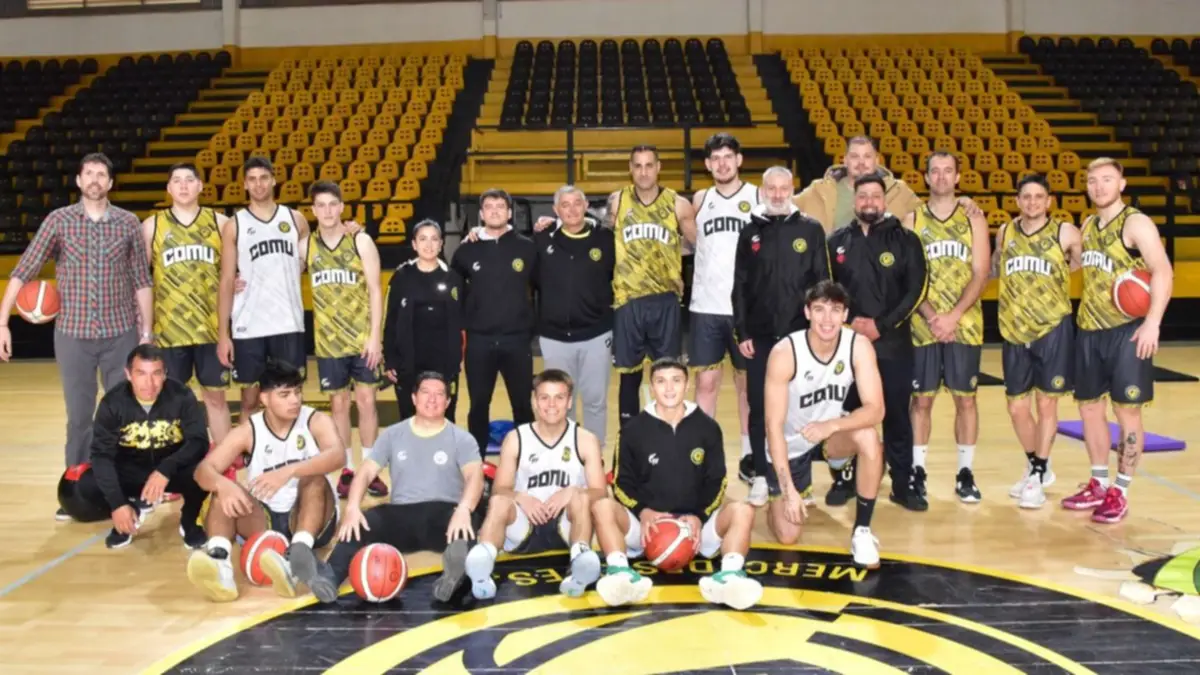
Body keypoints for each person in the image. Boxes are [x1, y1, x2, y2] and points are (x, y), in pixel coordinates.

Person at [0, 152, 153, 520]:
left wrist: (146, 331)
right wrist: (3, 321)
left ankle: (125, 489)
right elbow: (24, 269)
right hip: (73, 335)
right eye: (89, 173)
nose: (95, 179)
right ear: (79, 181)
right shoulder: (59, 220)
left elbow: (141, 280)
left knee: (123, 414)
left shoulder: (128, 223)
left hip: (120, 332)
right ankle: (77, 493)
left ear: (110, 183)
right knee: (79, 416)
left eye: (102, 174)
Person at [590, 358, 760, 610]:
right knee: (602, 507)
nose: (669, 388)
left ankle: (729, 578)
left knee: (743, 510)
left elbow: (717, 482)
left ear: (687, 384)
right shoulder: (632, 430)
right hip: (647, 527)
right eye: (661, 381)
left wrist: (700, 517)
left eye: (676, 380)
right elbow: (621, 482)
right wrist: (642, 512)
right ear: (651, 386)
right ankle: (620, 575)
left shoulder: (708, 428)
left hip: (696, 528)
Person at [307, 372, 486, 604]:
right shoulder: (393, 434)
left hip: (445, 514)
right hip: (401, 515)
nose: (432, 399)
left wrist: (464, 509)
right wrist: (352, 507)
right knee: (362, 522)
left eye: (439, 394)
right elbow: (366, 472)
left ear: (448, 402)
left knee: (467, 526)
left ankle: (453, 577)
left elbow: (475, 477)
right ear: (414, 398)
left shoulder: (462, 438)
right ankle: (330, 577)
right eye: (426, 392)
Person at [1063, 158, 1174, 523]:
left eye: (1107, 179)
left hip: (1127, 332)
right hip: (1089, 330)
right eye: (1093, 180)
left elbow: (1162, 270)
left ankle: (1121, 490)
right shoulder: (1089, 224)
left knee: (1127, 412)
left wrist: (1153, 322)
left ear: (1122, 184)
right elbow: (1079, 266)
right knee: (1089, 410)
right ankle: (1098, 482)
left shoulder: (1135, 223)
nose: (1099, 186)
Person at [186, 361, 344, 602]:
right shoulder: (248, 431)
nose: (295, 400)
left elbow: (338, 455)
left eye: (297, 392)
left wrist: (288, 471)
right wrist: (223, 485)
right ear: (265, 398)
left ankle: (298, 554)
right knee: (223, 492)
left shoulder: (315, 420)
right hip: (266, 516)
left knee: (313, 476)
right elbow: (203, 471)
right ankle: (219, 564)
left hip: (313, 517)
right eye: (285, 394)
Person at [762, 280, 885, 568]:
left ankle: (862, 531)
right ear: (807, 312)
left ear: (845, 315)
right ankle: (778, 498)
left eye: (835, 310)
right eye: (819, 310)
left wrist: (831, 426)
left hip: (828, 435)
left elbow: (876, 409)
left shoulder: (858, 346)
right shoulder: (785, 353)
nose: (827, 319)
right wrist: (789, 490)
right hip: (791, 444)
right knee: (788, 536)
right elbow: (773, 427)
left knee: (868, 436)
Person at [827, 174, 929, 511]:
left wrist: (880, 325)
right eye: (863, 196)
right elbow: (828, 290)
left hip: (893, 344)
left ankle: (902, 483)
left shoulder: (906, 240)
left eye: (875, 195)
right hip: (848, 346)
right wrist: (851, 321)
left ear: (884, 201)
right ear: (854, 200)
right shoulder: (837, 241)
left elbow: (916, 290)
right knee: (849, 414)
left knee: (896, 415)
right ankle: (846, 479)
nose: (869, 201)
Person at [732, 165, 829, 506]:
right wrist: (742, 331)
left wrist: (818, 332)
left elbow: (823, 285)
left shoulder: (811, 230)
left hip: (799, 338)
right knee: (759, 407)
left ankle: (800, 482)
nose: (776, 194)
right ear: (762, 192)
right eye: (770, 188)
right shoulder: (749, 232)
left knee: (799, 409)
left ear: (792, 190)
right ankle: (761, 475)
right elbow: (739, 287)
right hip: (759, 337)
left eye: (783, 188)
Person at [464, 369, 608, 599]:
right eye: (544, 397)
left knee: (581, 498)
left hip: (568, 528)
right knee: (500, 501)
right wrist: (520, 497)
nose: (551, 405)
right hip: (524, 526)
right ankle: (482, 565)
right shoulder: (516, 438)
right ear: (534, 401)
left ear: (569, 402)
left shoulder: (585, 439)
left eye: (559, 397)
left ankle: (580, 562)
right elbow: (499, 489)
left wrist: (572, 492)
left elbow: (601, 492)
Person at [57, 344, 210, 549]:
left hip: (173, 471)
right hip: (131, 472)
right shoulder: (113, 403)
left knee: (207, 471)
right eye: (141, 373)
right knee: (84, 485)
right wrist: (117, 504)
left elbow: (199, 442)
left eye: (156, 373)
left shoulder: (181, 396)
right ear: (128, 374)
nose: (149, 383)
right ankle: (130, 508)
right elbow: (101, 455)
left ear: (165, 374)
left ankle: (190, 519)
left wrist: (165, 469)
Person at [903, 152, 991, 503]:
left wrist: (953, 316)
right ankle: (917, 471)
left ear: (957, 177)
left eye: (947, 171)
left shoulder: (974, 219)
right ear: (926, 177)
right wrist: (932, 316)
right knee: (921, 400)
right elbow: (908, 276)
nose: (941, 177)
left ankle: (965, 473)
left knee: (965, 400)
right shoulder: (912, 219)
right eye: (935, 171)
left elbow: (981, 272)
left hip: (964, 324)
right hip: (922, 323)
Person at [993, 174, 1080, 509]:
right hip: (1013, 328)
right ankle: (1037, 466)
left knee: (1046, 404)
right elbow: (997, 266)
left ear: (1049, 200)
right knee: (1016, 407)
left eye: (1038, 196)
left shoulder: (1065, 232)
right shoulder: (1005, 232)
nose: (1032, 202)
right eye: (1026, 196)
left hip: (1052, 329)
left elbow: (1078, 265)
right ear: (1017, 200)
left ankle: (1038, 472)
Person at [303, 181, 387, 499]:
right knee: (338, 406)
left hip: (362, 339)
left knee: (367, 403)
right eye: (320, 205)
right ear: (313, 210)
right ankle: (348, 470)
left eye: (332, 204)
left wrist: (375, 337)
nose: (327, 211)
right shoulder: (306, 246)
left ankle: (370, 470)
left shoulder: (360, 240)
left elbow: (376, 290)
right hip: (328, 343)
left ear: (341, 207)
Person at [605, 146, 698, 428]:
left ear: (658, 167)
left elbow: (698, 244)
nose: (643, 172)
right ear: (630, 169)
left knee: (668, 375)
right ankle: (629, 437)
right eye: (638, 166)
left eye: (649, 165)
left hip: (664, 300)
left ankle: (669, 433)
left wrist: (666, 252)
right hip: (628, 300)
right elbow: (601, 238)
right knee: (629, 377)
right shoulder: (617, 201)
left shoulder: (678, 203)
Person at [140, 163, 233, 446]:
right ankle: (174, 461)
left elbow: (233, 272)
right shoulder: (152, 226)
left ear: (200, 186)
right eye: (177, 180)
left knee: (216, 398)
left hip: (211, 329)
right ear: (168, 188)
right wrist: (145, 329)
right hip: (169, 330)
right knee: (170, 400)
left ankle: (224, 460)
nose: (183, 185)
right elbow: (141, 280)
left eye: (189, 180)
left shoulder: (221, 223)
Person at [217, 157, 309, 416]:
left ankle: (292, 443)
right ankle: (251, 444)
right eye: (252, 179)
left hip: (288, 322)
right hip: (249, 324)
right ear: (245, 184)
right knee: (249, 400)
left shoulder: (296, 219)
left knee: (291, 397)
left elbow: (311, 254)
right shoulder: (235, 225)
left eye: (264, 178)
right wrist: (223, 333)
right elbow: (227, 279)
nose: (258, 184)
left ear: (274, 180)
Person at [451, 189, 539, 458]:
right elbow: (455, 294)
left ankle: (525, 460)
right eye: (489, 207)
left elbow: (542, 288)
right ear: (481, 213)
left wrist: (531, 326)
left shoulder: (527, 247)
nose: (495, 211)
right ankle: (475, 463)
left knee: (522, 405)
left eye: (500, 206)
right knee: (478, 405)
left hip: (517, 340)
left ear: (509, 213)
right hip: (480, 341)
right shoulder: (466, 250)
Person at [690, 133, 756, 480]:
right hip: (706, 307)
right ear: (707, 164)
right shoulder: (701, 199)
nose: (722, 164)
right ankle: (702, 455)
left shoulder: (758, 196)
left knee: (747, 386)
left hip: (746, 309)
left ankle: (749, 456)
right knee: (706, 384)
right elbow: (686, 241)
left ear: (739, 160)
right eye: (716, 158)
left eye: (728, 157)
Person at [530, 186, 616, 447]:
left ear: (586, 205)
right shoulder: (542, 239)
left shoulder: (606, 239)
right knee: (559, 402)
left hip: (596, 335)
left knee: (595, 401)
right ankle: (564, 455)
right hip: (555, 338)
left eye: (577, 203)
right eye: (565, 205)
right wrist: (477, 234)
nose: (572, 209)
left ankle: (594, 456)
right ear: (556, 210)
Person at [383, 219, 465, 422]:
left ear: (441, 244)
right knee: (408, 418)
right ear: (414, 244)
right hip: (408, 362)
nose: (429, 245)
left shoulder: (453, 278)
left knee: (445, 417)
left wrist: (457, 360)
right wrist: (390, 359)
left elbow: (461, 324)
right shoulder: (401, 277)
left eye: (434, 239)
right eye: (423, 239)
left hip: (444, 362)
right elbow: (391, 320)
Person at [792, 136, 923, 233]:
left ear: (877, 161)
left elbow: (928, 217)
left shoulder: (899, 190)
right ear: (845, 160)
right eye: (854, 156)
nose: (861, 162)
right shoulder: (818, 189)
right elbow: (786, 208)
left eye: (867, 156)